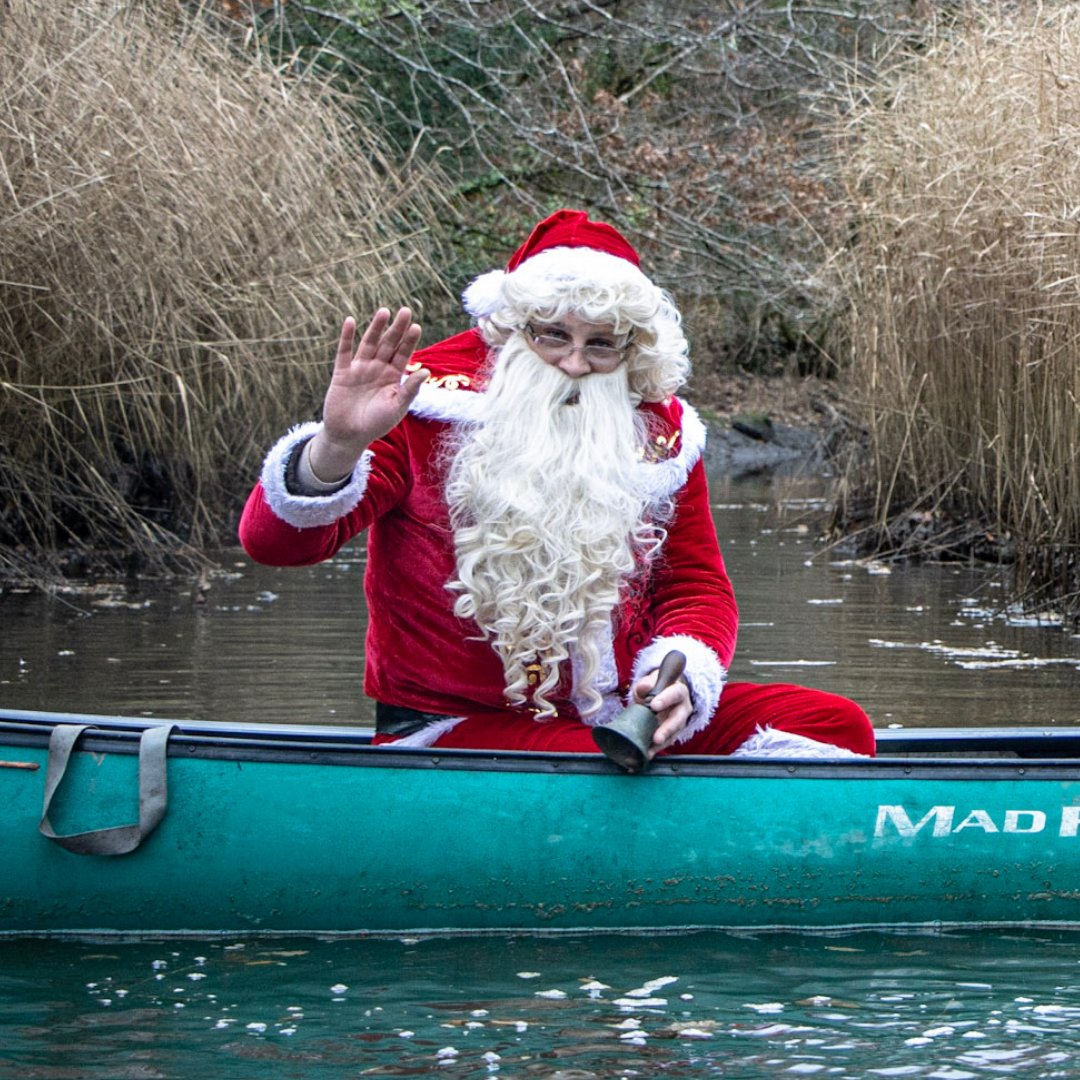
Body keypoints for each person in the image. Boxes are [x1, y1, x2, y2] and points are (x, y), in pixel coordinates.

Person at [239, 209, 875, 759]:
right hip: (453, 728)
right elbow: (274, 546)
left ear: (631, 351)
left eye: (601, 345)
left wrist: (680, 677)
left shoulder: (664, 437)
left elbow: (695, 584)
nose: (575, 364)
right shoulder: (421, 406)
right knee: (593, 764)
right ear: (515, 330)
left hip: (621, 719)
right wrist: (337, 446)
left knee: (833, 723)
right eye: (555, 337)